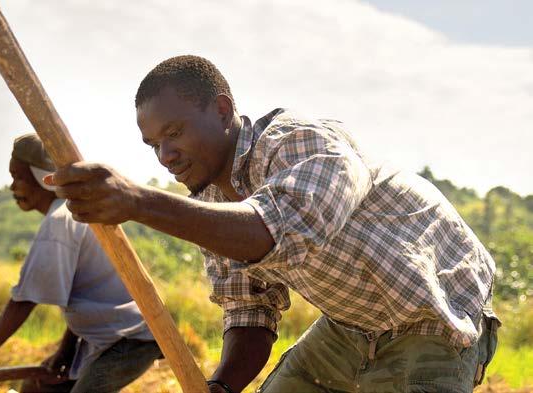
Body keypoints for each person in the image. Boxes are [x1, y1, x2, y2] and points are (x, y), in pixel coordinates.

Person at [44, 55, 500, 392]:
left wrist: (137, 202)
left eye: (175, 133)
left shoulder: (298, 142)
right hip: (351, 327)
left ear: (222, 111)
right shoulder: (211, 204)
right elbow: (250, 311)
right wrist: (221, 387)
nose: (165, 157)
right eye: (153, 145)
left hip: (436, 320)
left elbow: (276, 231)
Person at [0, 133, 161, 393]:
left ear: (41, 177)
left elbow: (23, 302)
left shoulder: (60, 222)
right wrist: (65, 352)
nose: (13, 187)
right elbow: (85, 297)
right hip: (101, 338)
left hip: (128, 338)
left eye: (18, 177)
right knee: (36, 389)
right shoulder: (71, 214)